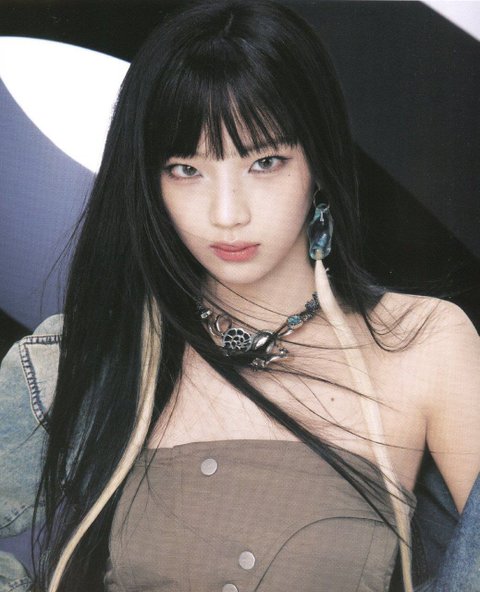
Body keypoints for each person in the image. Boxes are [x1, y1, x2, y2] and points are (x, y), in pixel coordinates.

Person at [0, 1, 479, 591]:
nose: (227, 214)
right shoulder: (80, 358)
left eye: (265, 162)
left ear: (320, 161)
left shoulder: (422, 344)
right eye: (186, 169)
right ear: (148, 179)